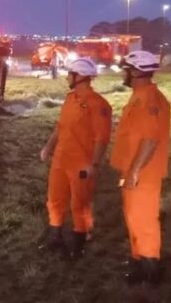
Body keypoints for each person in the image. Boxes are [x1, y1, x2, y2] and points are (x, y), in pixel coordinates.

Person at [39, 58, 112, 258]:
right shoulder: (70, 99)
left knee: (80, 203)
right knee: (54, 199)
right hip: (61, 159)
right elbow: (60, 127)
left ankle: (79, 244)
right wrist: (48, 147)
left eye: (70, 74)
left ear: (80, 76)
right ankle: (55, 237)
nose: (67, 77)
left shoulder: (99, 105)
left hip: (82, 163)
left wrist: (94, 164)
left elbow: (102, 138)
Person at [109, 51, 171, 285]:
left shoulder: (149, 99)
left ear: (135, 71)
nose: (124, 73)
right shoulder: (139, 96)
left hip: (143, 173)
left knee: (144, 220)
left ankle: (151, 269)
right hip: (132, 170)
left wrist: (135, 171)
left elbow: (150, 139)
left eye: (126, 69)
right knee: (133, 217)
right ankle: (138, 262)